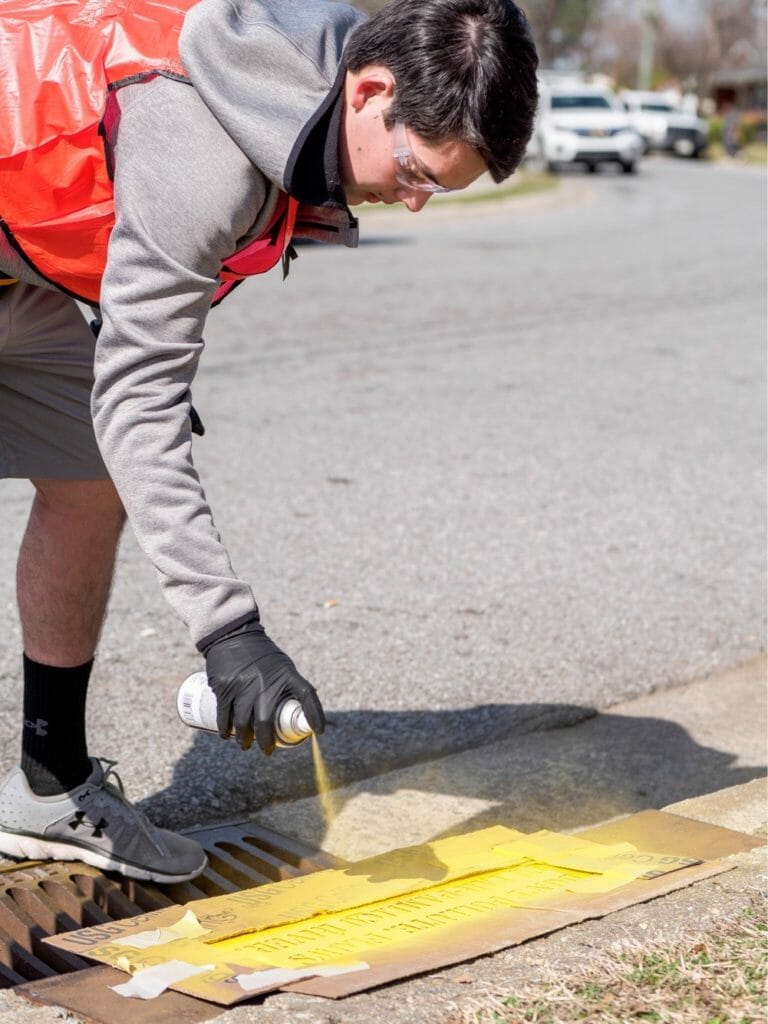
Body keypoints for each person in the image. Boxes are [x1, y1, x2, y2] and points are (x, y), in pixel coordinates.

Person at [0, 0, 538, 883]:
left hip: (29, 261)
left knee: (92, 481)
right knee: (126, 438)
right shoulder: (204, 151)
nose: (410, 200)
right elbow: (138, 401)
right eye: (416, 173)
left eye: (437, 188)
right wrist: (230, 634)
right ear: (369, 91)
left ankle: (49, 785)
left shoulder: (315, 81)